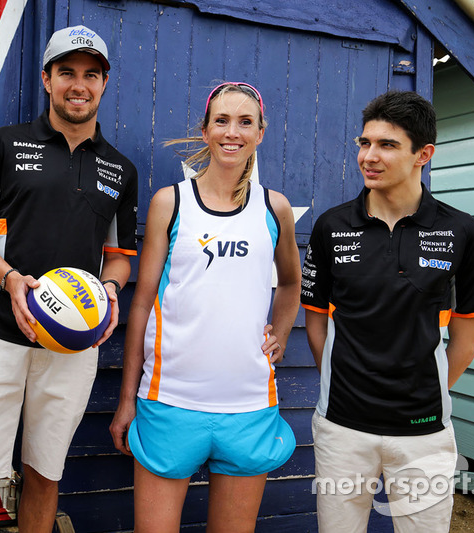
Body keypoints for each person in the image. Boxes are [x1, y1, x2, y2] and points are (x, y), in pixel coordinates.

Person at [0, 25, 138, 533]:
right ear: (47, 79)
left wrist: (111, 290)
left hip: (74, 346)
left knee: (45, 476)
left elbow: (119, 258)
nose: (80, 85)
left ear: (104, 83)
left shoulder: (120, 169)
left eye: (91, 75)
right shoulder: (6, 144)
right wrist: (9, 277)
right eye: (67, 73)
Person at [109, 82, 301, 533]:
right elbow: (141, 305)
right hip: (169, 401)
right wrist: (125, 400)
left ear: (260, 132)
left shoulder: (275, 209)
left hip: (249, 405)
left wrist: (283, 333)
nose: (232, 132)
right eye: (222, 120)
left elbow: (291, 283)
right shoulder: (170, 203)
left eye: (245, 122)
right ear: (205, 130)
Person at [301, 90, 474, 532]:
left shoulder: (460, 230)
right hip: (342, 428)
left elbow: (466, 336)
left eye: (387, 145)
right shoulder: (331, 226)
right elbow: (315, 321)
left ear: (423, 154)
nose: (370, 156)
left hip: (425, 433)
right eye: (364, 143)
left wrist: (424, 395)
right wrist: (345, 382)